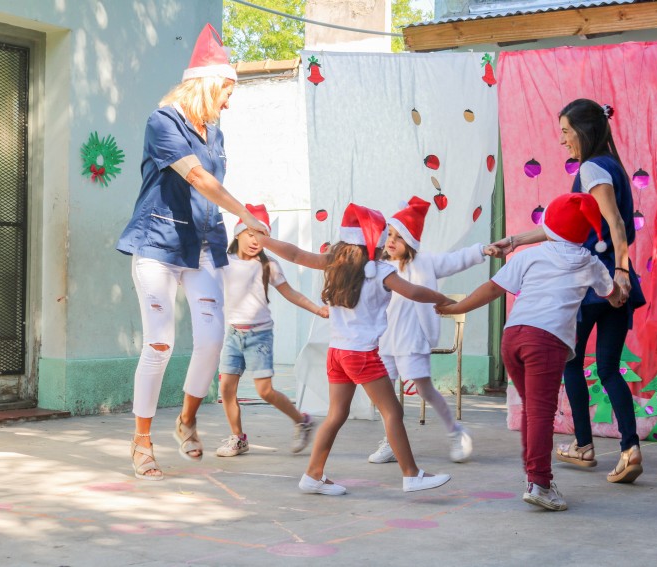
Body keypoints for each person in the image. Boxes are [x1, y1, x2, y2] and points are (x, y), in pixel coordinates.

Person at [116, 24, 266, 481]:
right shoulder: (163, 121)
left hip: (203, 245)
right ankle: (142, 441)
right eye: (226, 90)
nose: (229, 101)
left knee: (212, 338)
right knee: (160, 343)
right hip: (159, 244)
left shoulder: (215, 133)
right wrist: (245, 211)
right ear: (206, 84)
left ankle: (186, 419)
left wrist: (237, 223)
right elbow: (198, 179)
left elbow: (210, 186)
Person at [491, 98, 647, 484]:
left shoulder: (592, 167)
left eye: (565, 131)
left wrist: (620, 270)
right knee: (609, 369)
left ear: (584, 130)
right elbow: (566, 227)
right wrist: (515, 239)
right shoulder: (614, 167)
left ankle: (583, 444)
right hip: (614, 284)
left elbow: (614, 223)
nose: (562, 140)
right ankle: (630, 448)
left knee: (571, 362)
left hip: (592, 281)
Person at [439, 192, 621, 511]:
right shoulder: (589, 262)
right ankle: (538, 481)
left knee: (530, 409)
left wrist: (457, 306)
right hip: (546, 342)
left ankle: (535, 475)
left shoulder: (530, 255)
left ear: (548, 226)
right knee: (539, 412)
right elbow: (612, 294)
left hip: (513, 337)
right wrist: (620, 294)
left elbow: (493, 288)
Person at [258, 203, 453, 495]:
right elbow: (412, 291)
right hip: (361, 354)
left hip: (337, 352)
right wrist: (442, 298)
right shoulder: (380, 271)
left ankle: (312, 476)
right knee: (393, 412)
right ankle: (411, 474)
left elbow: (296, 254)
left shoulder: (334, 263)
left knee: (337, 414)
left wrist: (263, 239)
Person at [368, 196, 494, 465]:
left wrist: (483, 250)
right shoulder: (378, 266)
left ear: (410, 242)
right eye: (389, 234)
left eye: (398, 237)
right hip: (384, 341)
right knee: (384, 395)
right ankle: (390, 440)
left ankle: (456, 432)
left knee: (425, 390)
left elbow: (456, 259)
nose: (391, 241)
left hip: (411, 339)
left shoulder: (425, 263)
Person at [215, 204, 329, 458]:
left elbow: (290, 293)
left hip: (259, 336)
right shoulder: (224, 262)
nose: (256, 241)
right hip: (233, 334)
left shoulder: (269, 265)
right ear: (238, 233)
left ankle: (302, 420)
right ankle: (238, 438)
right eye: (251, 234)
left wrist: (317, 309)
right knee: (226, 389)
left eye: (262, 236)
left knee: (264, 391)